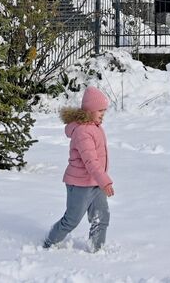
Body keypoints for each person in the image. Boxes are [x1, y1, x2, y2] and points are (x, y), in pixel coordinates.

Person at [43, 86, 113, 252]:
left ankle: (97, 248)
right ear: (89, 111)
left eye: (104, 110)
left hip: (96, 182)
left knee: (101, 217)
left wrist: (101, 181)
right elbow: (90, 161)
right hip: (80, 184)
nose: (103, 114)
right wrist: (105, 181)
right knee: (72, 219)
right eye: (100, 110)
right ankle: (49, 243)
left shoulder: (95, 127)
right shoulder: (83, 131)